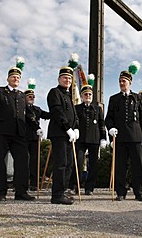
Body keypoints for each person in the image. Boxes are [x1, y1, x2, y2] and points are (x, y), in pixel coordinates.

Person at [0, 57, 34, 201]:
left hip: (19, 133)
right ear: (8, 78)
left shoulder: (21, 95)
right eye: (13, 76)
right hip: (1, 132)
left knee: (22, 161)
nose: (16, 79)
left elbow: (28, 114)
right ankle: (1, 192)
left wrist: (36, 127)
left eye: (18, 77)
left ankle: (21, 192)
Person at [105, 62, 142, 202]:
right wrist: (110, 129)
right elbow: (109, 118)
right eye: (120, 81)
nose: (121, 83)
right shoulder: (114, 99)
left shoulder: (137, 98)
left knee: (137, 165)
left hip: (135, 136)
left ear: (130, 82)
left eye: (124, 81)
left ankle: (139, 192)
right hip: (120, 136)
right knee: (120, 166)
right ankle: (121, 192)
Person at [47, 65, 79, 205]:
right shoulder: (54, 92)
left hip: (69, 135)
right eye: (65, 77)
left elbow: (74, 114)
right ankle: (57, 195)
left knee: (69, 164)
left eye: (70, 78)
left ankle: (64, 190)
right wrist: (67, 128)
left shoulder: (68, 95)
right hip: (59, 133)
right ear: (59, 78)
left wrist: (76, 128)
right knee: (60, 164)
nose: (67, 80)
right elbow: (57, 112)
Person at [70, 78, 107, 195]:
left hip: (94, 140)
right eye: (86, 94)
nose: (88, 96)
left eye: (90, 94)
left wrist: (103, 138)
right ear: (82, 96)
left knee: (93, 165)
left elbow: (102, 123)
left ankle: (89, 188)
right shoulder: (77, 108)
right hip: (80, 140)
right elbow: (74, 122)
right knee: (78, 163)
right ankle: (75, 186)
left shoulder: (97, 108)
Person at [24, 79, 50, 191]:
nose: (31, 98)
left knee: (35, 161)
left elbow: (47, 115)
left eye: (33, 97)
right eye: (29, 96)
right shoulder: (20, 108)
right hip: (23, 137)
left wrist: (58, 112)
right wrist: (37, 128)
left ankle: (34, 183)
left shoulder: (37, 109)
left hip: (35, 138)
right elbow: (30, 119)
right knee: (23, 161)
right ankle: (21, 183)